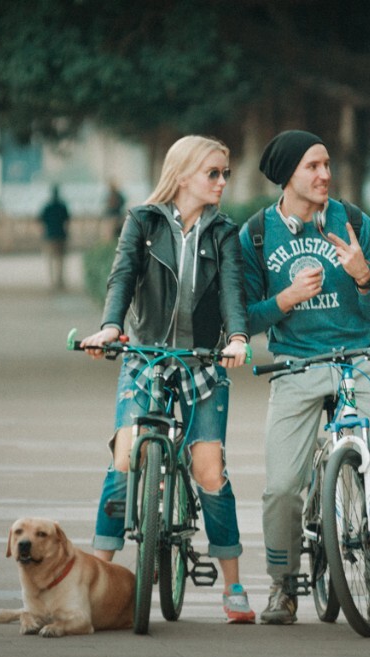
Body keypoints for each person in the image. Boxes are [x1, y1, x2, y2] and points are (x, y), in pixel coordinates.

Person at [79, 135, 255, 624]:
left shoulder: (224, 231)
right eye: (212, 173)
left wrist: (237, 337)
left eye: (225, 173)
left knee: (208, 470)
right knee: (123, 457)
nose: (222, 181)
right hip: (146, 354)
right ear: (182, 176)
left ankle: (233, 584)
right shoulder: (143, 221)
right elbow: (122, 278)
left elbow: (232, 293)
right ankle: (99, 577)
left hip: (203, 359)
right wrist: (111, 328)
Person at [239, 130, 370, 627]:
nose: (324, 175)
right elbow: (246, 319)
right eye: (313, 166)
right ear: (288, 174)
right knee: (281, 489)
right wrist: (286, 299)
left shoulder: (355, 221)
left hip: (359, 360)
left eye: (327, 164)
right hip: (294, 365)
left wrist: (362, 275)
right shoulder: (255, 234)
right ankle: (283, 586)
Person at [38, 186, 70, 290]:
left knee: (50, 260)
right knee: (60, 260)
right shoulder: (62, 206)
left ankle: (51, 282)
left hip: (49, 236)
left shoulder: (47, 207)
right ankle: (60, 281)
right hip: (61, 235)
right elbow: (67, 220)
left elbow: (40, 220)